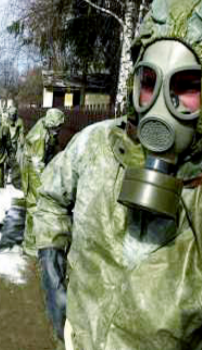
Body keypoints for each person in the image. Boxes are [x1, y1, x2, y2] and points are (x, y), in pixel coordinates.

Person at [34, 1, 202, 348]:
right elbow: (50, 197)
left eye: (186, 86)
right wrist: (52, 270)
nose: (161, 103)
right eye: (150, 82)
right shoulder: (95, 146)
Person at [21, 108, 65, 257]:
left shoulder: (47, 129)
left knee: (37, 205)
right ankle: (30, 245)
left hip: (37, 165)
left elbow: (53, 149)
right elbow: (37, 164)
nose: (59, 130)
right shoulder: (39, 136)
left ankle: (33, 240)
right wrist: (45, 184)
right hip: (33, 169)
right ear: (52, 125)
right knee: (34, 206)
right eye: (58, 127)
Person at [3, 106, 25, 188]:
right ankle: (5, 176)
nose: (12, 116)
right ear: (8, 114)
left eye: (14, 114)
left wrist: (22, 143)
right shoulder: (4, 122)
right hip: (6, 143)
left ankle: (12, 176)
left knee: (15, 160)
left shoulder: (19, 121)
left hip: (15, 143)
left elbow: (21, 133)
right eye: (11, 114)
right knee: (5, 160)